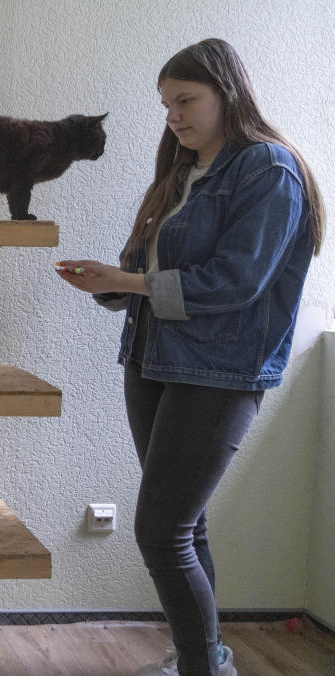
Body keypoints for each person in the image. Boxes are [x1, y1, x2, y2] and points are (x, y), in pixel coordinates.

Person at [55, 38, 325, 676]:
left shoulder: (268, 169)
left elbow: (236, 282)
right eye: (166, 103)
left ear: (226, 94)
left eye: (185, 100)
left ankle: (206, 668)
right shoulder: (181, 173)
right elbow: (149, 272)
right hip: (151, 360)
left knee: (161, 530)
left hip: (221, 371)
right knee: (184, 523)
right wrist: (110, 283)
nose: (173, 115)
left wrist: (130, 284)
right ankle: (203, 660)